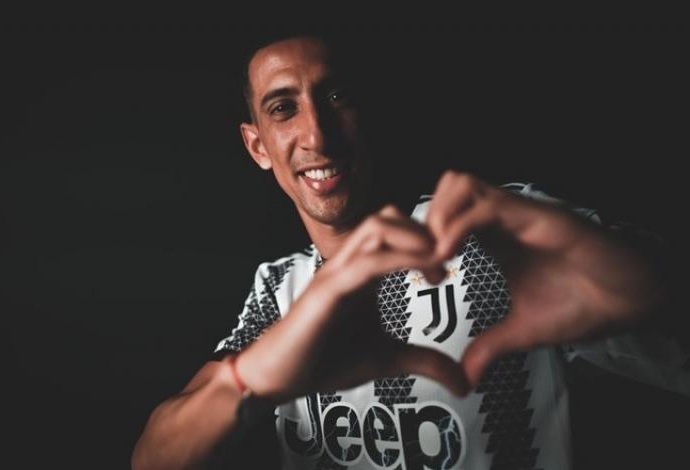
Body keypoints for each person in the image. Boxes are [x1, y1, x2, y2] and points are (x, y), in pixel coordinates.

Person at [131, 31, 688, 470]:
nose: (318, 136)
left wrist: (643, 281)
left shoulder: (485, 232)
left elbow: (661, 316)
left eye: (336, 96)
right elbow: (154, 458)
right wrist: (250, 379)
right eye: (283, 108)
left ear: (368, 111)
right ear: (257, 146)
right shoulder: (280, 292)